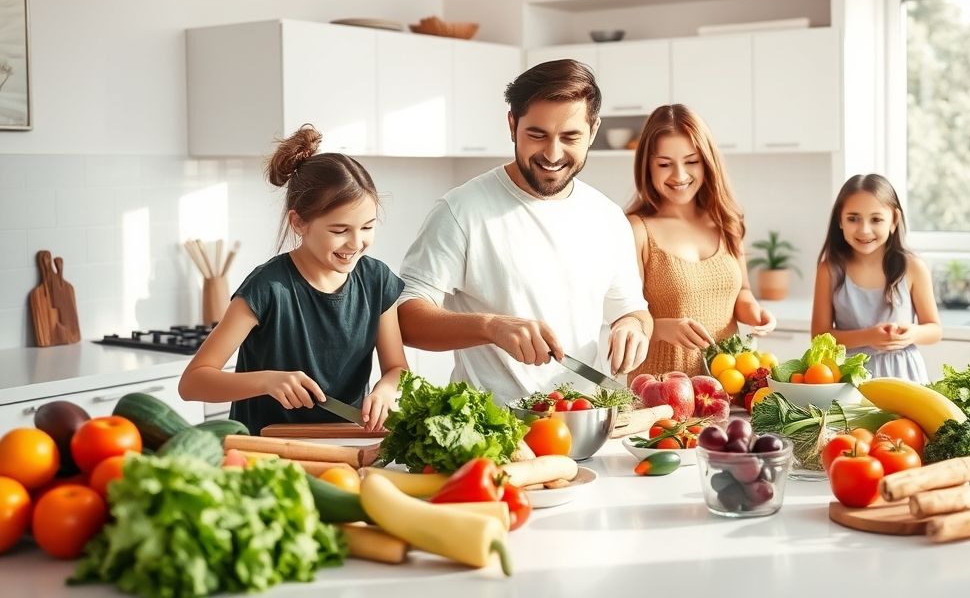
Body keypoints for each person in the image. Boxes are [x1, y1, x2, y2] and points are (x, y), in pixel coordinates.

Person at [397, 59, 652, 406]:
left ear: (592, 131)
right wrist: (489, 326)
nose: (552, 153)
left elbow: (633, 311)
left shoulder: (607, 217)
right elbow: (407, 317)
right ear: (512, 124)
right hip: (492, 429)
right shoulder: (462, 210)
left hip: (583, 419)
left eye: (570, 137)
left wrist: (633, 328)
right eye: (537, 135)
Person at [179, 126, 408, 435]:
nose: (356, 243)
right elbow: (193, 382)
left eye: (367, 227)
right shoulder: (267, 288)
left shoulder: (376, 280)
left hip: (348, 448)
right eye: (340, 231)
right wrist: (266, 380)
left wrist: (387, 390)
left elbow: (397, 368)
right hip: (266, 453)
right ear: (299, 222)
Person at [625, 104, 775, 379]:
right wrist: (664, 328)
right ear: (647, 167)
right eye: (664, 164)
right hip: (660, 390)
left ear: (707, 162)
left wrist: (755, 313)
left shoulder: (726, 221)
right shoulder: (637, 230)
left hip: (727, 386)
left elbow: (741, 291)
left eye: (691, 161)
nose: (679, 175)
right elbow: (621, 319)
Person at [811, 173, 941, 382]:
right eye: (853, 218)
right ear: (840, 221)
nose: (864, 230)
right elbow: (819, 337)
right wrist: (869, 337)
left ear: (894, 220)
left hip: (905, 377)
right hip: (849, 378)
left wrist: (911, 333)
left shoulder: (913, 267)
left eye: (876, 219)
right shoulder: (829, 270)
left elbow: (934, 330)